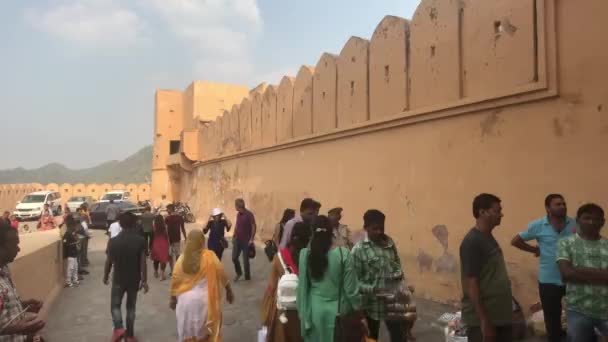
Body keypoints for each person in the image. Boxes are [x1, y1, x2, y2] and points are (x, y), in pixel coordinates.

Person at [511, 194, 576, 342]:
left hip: (572, 279)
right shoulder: (538, 225)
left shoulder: (574, 224)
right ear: (548, 208)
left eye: (564, 203)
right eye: (558, 204)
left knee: (576, 319)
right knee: (552, 321)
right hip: (548, 281)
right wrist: (535, 250)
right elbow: (515, 241)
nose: (563, 206)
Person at [297, 215, 364, 341]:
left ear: (312, 232)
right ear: (331, 232)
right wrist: (360, 314)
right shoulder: (343, 254)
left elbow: (302, 289)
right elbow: (351, 291)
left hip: (314, 311)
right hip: (339, 314)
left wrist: (303, 316)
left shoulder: (305, 255)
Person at [460, 193, 512, 342]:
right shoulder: (472, 242)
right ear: (482, 212)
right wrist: (484, 320)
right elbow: (471, 284)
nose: (501, 214)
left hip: (499, 315)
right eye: (497, 210)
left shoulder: (487, 236)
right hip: (484, 319)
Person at [351, 209, 410, 342]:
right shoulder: (358, 251)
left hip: (393, 303)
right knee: (371, 338)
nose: (379, 232)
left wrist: (401, 285)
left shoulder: (389, 243)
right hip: (371, 305)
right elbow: (355, 283)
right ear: (365, 228)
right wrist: (373, 289)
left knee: (399, 337)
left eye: (381, 228)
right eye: (375, 229)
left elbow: (398, 267)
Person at [170, 230, 235, 342]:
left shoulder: (181, 259)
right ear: (202, 241)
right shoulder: (210, 256)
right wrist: (229, 290)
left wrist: (172, 299)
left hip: (185, 305)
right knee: (205, 336)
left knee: (189, 335)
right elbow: (222, 273)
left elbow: (175, 279)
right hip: (205, 304)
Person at [557, 203, 608, 341]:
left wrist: (578, 270)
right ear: (577, 220)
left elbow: (571, 272)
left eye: (596, 219)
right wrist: (602, 274)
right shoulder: (565, 243)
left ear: (603, 222)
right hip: (577, 310)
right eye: (587, 218)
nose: (591, 222)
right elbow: (566, 274)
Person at [261, 222, 311, 342]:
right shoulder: (308, 257)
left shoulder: (279, 257)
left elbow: (271, 287)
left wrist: (266, 314)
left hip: (283, 312)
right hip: (302, 312)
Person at [103, 212, 149, 342]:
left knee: (115, 306)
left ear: (121, 224)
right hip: (134, 279)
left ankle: (118, 328)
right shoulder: (140, 240)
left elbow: (109, 261)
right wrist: (144, 280)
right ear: (134, 224)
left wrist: (105, 275)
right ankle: (129, 335)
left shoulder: (113, 241)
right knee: (131, 307)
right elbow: (143, 262)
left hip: (118, 279)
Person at [0, 222, 46, 341]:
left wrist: (23, 305)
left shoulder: (4, 269)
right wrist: (15, 329)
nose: (18, 248)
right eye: (15, 244)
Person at [232, 198, 257, 281]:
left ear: (238, 206)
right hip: (237, 240)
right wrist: (234, 234)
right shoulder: (238, 214)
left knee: (246, 261)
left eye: (235, 205)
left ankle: (247, 277)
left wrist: (251, 239)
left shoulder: (249, 214)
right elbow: (237, 225)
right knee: (234, 257)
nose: (235, 207)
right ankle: (239, 273)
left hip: (246, 241)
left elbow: (254, 226)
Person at [165, 204, 187, 274]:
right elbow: (183, 228)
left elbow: (165, 229)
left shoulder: (167, 218)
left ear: (170, 209)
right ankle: (177, 270)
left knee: (170, 256)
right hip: (177, 238)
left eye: (167, 209)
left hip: (169, 239)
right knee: (177, 254)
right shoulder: (180, 217)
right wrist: (185, 237)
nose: (167, 211)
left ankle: (172, 271)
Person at [62, 217, 80, 288]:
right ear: (70, 226)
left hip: (74, 253)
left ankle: (75, 279)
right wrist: (75, 243)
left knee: (75, 267)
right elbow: (65, 244)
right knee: (70, 268)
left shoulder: (73, 233)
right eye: (74, 226)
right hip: (70, 254)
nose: (75, 227)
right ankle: (68, 281)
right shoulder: (67, 234)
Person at [151, 215, 170, 281]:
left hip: (156, 244)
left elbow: (152, 237)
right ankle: (162, 274)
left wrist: (150, 246)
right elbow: (167, 236)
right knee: (163, 260)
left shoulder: (154, 227)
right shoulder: (165, 227)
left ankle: (156, 272)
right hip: (164, 244)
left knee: (156, 260)